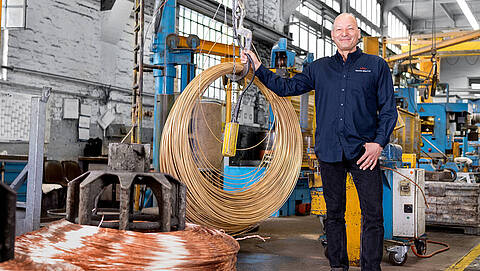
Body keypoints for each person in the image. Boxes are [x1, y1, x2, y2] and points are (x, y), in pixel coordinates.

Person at [241, 13, 397, 271]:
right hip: (329, 152)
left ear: (358, 34)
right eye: (339, 29)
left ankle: (371, 268)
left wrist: (379, 143)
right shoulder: (319, 68)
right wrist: (258, 69)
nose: (344, 33)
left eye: (350, 29)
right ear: (333, 35)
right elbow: (285, 87)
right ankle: (338, 266)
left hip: (364, 153)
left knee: (373, 216)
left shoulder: (376, 66)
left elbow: (389, 110)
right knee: (334, 215)